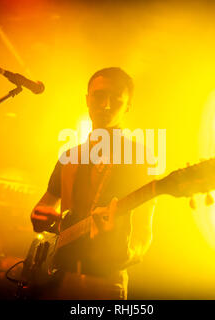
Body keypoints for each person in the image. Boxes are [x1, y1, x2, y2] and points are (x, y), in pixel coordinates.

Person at [30, 67, 156, 299]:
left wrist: (125, 255)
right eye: (99, 96)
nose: (106, 105)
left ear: (128, 106)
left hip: (105, 281)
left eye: (116, 99)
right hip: (57, 275)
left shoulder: (140, 159)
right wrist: (39, 216)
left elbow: (143, 231)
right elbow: (44, 208)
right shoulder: (69, 156)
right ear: (87, 100)